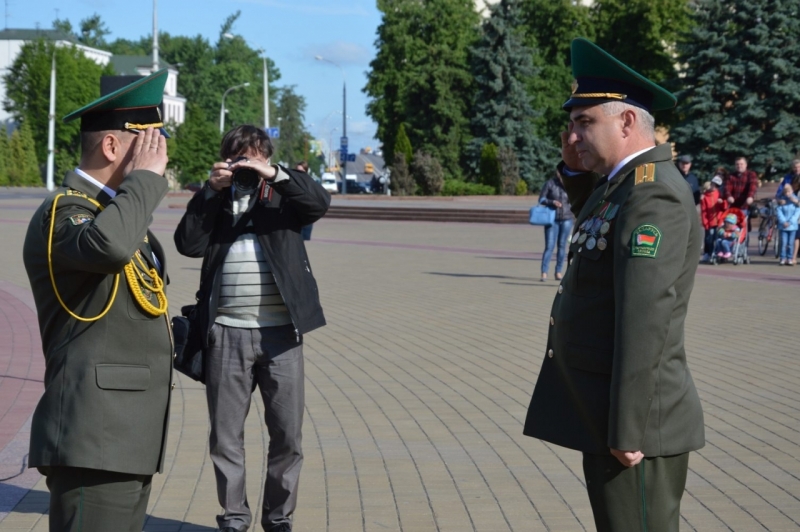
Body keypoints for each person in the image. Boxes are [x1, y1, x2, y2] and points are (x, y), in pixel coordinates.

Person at [523, 38, 704, 532]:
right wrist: (573, 171)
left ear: (626, 123)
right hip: (611, 414)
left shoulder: (654, 198)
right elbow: (601, 227)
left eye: (585, 123)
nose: (573, 135)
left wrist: (627, 428)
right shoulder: (622, 185)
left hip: (634, 424)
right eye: (573, 124)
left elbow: (645, 319)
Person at [21, 70, 173, 532]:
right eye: (150, 142)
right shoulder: (64, 212)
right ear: (112, 147)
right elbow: (109, 249)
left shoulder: (113, 215)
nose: (161, 154)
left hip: (124, 438)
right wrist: (144, 182)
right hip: (94, 439)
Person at [174, 125, 330, 532]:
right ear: (226, 160)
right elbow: (187, 244)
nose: (246, 165)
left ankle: (278, 519)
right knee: (226, 437)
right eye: (238, 157)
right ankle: (234, 518)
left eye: (254, 157)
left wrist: (272, 174)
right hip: (226, 332)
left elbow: (319, 203)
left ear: (265, 157)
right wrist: (210, 190)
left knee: (288, 437)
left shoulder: (284, 195)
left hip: (281, 335)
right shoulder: (218, 199)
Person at [538, 169, 574, 281]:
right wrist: (552, 202)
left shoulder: (570, 184)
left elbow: (576, 199)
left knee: (562, 246)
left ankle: (558, 272)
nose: (561, 174)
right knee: (549, 246)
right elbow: (542, 199)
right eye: (559, 172)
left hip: (567, 218)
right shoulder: (550, 183)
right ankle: (544, 272)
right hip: (552, 219)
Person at [700, 176, 727, 262]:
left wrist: (722, 202)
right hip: (710, 223)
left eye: (717, 186)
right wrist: (705, 223)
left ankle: (720, 254)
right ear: (711, 184)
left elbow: (725, 208)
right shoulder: (705, 197)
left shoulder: (720, 194)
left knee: (719, 239)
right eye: (714, 185)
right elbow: (704, 212)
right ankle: (709, 253)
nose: (714, 187)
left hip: (719, 221)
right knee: (709, 239)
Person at [776, 184, 800, 265]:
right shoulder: (782, 200)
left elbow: (797, 212)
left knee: (790, 243)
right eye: (786, 192)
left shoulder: (795, 200)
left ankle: (790, 258)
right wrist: (783, 222)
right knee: (784, 243)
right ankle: (783, 258)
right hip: (783, 226)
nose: (787, 194)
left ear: (792, 191)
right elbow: (779, 211)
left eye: (789, 191)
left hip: (792, 226)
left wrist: (790, 222)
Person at [295, 161, 315, 240]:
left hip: (306, 218)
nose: (299, 173)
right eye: (297, 171)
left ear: (306, 172)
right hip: (294, 219)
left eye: (302, 171)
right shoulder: (291, 183)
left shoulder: (310, 184)